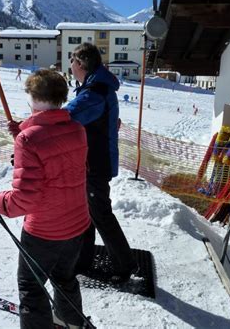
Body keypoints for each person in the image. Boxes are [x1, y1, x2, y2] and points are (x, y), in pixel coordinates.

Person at [0, 69, 90, 329]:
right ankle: (70, 322)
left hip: (44, 231)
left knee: (32, 286)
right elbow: (56, 155)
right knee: (65, 278)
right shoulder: (76, 129)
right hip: (77, 225)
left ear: (35, 97)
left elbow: (23, 201)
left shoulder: (28, 140)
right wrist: (23, 130)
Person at [65, 42, 137, 284]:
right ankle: (83, 259)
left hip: (95, 164)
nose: (70, 67)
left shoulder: (94, 92)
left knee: (100, 214)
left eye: (72, 62)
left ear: (82, 64)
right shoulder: (96, 87)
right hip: (92, 162)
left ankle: (125, 265)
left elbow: (65, 118)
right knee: (87, 214)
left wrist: (29, 126)